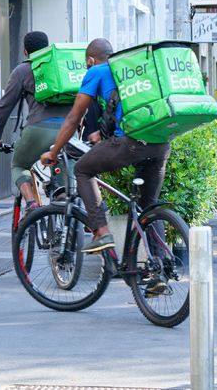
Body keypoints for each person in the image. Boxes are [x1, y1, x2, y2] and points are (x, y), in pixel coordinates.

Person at [39, 39, 171, 271]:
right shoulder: (130, 71)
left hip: (130, 144)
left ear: (90, 60)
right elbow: (127, 106)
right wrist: (102, 132)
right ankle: (159, 268)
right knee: (148, 205)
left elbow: (73, 118)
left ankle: (101, 232)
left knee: (82, 170)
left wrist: (54, 150)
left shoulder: (97, 71)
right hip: (161, 143)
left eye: (86, 64)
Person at [0, 31, 71, 212]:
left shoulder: (23, 70)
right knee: (61, 163)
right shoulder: (60, 67)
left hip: (39, 129)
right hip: (69, 129)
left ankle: (31, 203)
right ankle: (62, 194)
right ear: (48, 47)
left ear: (25, 52)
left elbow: (4, 107)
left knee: (19, 165)